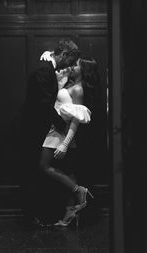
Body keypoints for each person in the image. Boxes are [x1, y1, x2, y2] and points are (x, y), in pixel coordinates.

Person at [20, 39, 81, 225]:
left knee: (50, 169)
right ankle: (38, 215)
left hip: (50, 132)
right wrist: (61, 125)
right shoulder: (44, 70)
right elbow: (44, 103)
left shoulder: (47, 69)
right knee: (40, 170)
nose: (69, 66)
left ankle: (68, 207)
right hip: (42, 130)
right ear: (63, 55)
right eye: (69, 60)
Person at [39, 57, 103, 227]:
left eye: (76, 65)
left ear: (83, 70)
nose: (72, 67)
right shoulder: (71, 84)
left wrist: (65, 143)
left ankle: (79, 191)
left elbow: (76, 119)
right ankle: (70, 213)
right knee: (68, 171)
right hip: (57, 129)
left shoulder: (78, 90)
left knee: (44, 166)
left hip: (61, 133)